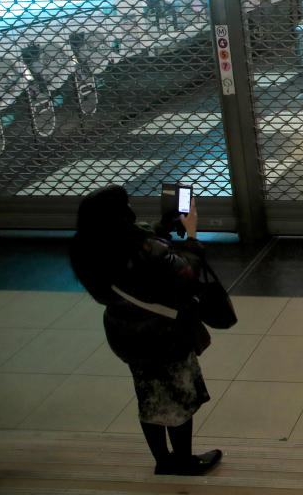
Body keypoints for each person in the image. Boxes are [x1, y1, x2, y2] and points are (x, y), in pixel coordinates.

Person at [69, 184, 222, 476]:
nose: (131, 208)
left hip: (126, 334)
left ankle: (163, 460)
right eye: (125, 205)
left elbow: (136, 262)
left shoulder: (87, 250)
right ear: (119, 216)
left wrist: (162, 228)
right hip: (163, 334)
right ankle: (185, 462)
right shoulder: (144, 250)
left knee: (148, 394)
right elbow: (185, 275)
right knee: (177, 394)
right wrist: (191, 234)